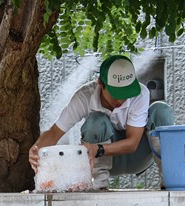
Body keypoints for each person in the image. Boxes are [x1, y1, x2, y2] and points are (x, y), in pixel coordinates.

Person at [28, 54, 174, 189]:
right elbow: (55, 132)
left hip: (137, 157)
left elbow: (133, 143)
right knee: (96, 120)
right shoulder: (84, 96)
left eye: (125, 94)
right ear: (101, 84)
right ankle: (99, 186)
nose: (120, 100)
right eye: (116, 94)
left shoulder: (140, 94)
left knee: (161, 110)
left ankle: (170, 180)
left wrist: (97, 148)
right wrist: (36, 150)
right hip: (103, 161)